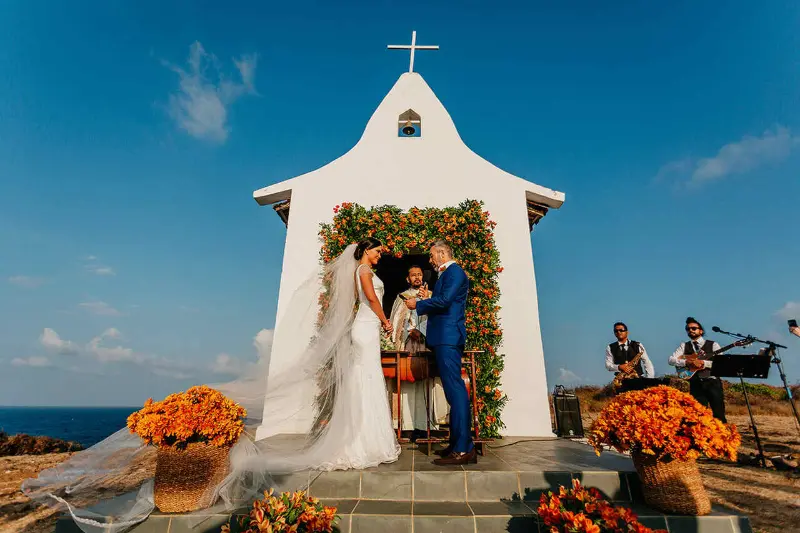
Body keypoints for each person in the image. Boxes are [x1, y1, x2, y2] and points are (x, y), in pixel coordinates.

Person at [22, 238, 401, 532]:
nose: (379, 255)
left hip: (365, 329)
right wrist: (385, 321)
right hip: (367, 327)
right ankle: (362, 440)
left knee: (362, 381)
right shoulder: (363, 274)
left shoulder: (364, 270)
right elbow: (369, 299)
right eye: (376, 251)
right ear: (363, 253)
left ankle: (364, 437)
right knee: (363, 380)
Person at [405, 240, 475, 465]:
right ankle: (457, 445)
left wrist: (419, 304)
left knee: (456, 391)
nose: (430, 259)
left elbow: (445, 302)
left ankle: (463, 449)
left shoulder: (454, 272)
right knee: (453, 392)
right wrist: (428, 299)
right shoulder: (447, 275)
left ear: (442, 254)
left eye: (432, 255)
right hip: (443, 338)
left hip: (448, 337)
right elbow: (444, 300)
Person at [388, 265, 448, 440]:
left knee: (426, 383)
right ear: (408, 279)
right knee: (406, 384)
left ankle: (427, 425)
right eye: (413, 275)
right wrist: (408, 332)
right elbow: (397, 321)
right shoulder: (402, 298)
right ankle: (406, 425)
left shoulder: (431, 297)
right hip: (407, 346)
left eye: (419, 275)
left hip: (426, 345)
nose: (417, 278)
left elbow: (436, 319)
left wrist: (422, 332)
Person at [668, 316, 727, 422]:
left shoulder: (713, 344)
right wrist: (687, 362)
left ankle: (723, 436)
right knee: (698, 415)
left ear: (701, 331)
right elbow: (671, 360)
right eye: (688, 329)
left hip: (712, 382)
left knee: (719, 414)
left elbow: (721, 363)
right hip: (695, 383)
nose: (690, 330)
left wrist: (703, 363)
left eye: (693, 328)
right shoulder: (684, 345)